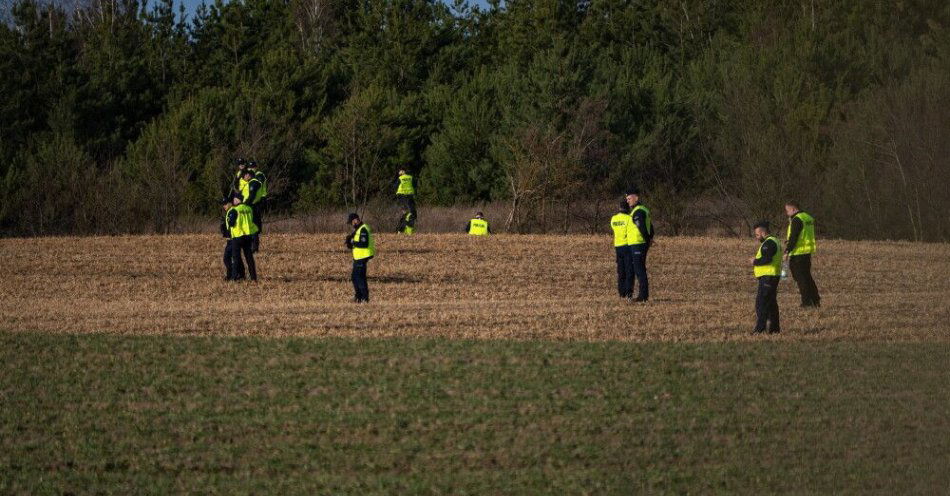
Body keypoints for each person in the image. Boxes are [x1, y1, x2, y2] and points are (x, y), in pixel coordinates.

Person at [784, 201, 821, 307]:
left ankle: (806, 302)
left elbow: (794, 237)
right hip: (806, 252)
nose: (787, 213)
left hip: (798, 253)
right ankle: (815, 299)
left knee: (801, 279)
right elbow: (803, 235)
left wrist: (787, 250)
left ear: (793, 209)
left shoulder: (797, 219)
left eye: (787, 210)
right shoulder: (807, 217)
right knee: (807, 276)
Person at [751, 220, 781, 334]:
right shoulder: (775, 241)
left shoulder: (768, 243)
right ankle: (774, 329)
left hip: (768, 277)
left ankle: (760, 329)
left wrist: (755, 261)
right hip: (773, 276)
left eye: (757, 235)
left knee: (761, 303)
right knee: (771, 303)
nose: (757, 237)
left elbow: (767, 259)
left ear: (763, 232)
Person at [625, 187, 654, 302]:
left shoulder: (637, 211)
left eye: (629, 198)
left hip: (638, 243)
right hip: (639, 243)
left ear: (636, 198)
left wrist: (647, 240)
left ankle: (643, 296)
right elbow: (650, 226)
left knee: (639, 269)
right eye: (626, 199)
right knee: (639, 268)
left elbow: (642, 227)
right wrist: (650, 238)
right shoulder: (643, 209)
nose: (627, 201)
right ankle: (643, 295)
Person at [227, 196, 258, 281]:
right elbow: (252, 221)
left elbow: (231, 223)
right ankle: (253, 277)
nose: (233, 200)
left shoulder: (235, 210)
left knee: (236, 257)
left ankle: (234, 277)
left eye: (234, 199)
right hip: (248, 235)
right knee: (249, 258)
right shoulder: (249, 209)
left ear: (237, 200)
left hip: (237, 236)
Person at [345, 213, 375, 303]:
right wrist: (349, 243)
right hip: (358, 257)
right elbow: (354, 244)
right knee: (355, 277)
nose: (351, 224)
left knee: (359, 277)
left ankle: (364, 298)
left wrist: (353, 241)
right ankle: (358, 297)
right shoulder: (358, 229)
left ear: (356, 220)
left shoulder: (363, 229)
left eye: (351, 222)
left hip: (363, 256)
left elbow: (363, 244)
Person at [610, 200, 634, 299]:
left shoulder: (613, 219)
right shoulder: (629, 218)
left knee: (620, 270)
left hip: (617, 246)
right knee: (629, 270)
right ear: (628, 208)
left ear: (619, 207)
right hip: (627, 246)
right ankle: (629, 293)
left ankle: (621, 292)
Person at [239, 169, 264, 252]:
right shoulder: (251, 183)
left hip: (252, 207)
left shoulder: (254, 183)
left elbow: (252, 196)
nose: (243, 177)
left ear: (248, 175)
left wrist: (245, 204)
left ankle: (254, 247)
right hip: (251, 207)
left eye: (244, 175)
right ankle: (251, 247)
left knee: (253, 227)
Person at [220, 198, 244, 281]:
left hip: (234, 238)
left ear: (230, 203)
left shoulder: (233, 211)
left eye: (226, 203)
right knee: (231, 258)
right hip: (230, 239)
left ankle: (234, 276)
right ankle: (237, 275)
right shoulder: (228, 212)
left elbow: (232, 224)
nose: (224, 206)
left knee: (232, 258)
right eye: (223, 204)